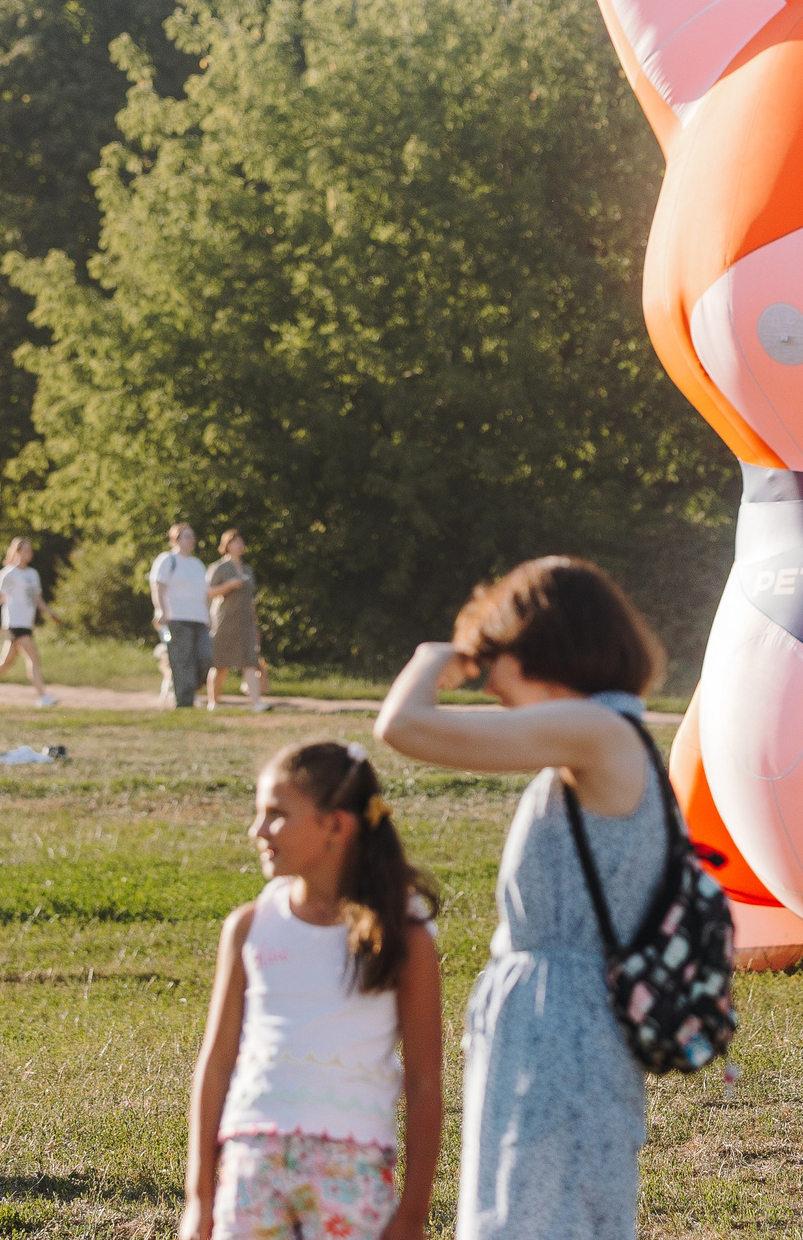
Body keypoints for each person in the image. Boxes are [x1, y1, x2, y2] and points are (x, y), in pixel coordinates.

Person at [373, 556, 666, 1240]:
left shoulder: (596, 731)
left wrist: (432, 658)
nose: (487, 683)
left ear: (540, 645)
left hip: (561, 1025)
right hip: (559, 1018)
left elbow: (403, 725)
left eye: (493, 658)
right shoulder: (601, 733)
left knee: (536, 1217)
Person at [182, 742, 443, 1240]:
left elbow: (425, 1084)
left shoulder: (405, 939)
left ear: (337, 827)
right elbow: (216, 1064)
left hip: (354, 1171)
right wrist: (199, 1198)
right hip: (251, 1169)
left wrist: (412, 1216)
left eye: (277, 815)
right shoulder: (248, 927)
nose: (257, 831)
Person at [0, 537, 61, 709]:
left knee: (6, 661)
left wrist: (51, 614)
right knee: (33, 658)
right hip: (15, 623)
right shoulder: (8, 573)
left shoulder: (32, 574)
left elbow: (38, 600)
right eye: (26, 550)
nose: (30, 553)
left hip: (26, 624)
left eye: (31, 550)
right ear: (17, 551)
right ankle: (43, 696)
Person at [153, 523, 214, 712]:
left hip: (199, 618)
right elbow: (158, 586)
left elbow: (204, 593)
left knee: (206, 657)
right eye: (187, 536)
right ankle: (184, 703)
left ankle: (188, 692)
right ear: (176, 539)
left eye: (192, 536)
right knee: (183, 661)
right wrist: (160, 610)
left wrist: (208, 615)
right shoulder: (167, 560)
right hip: (176, 617)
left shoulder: (197, 564)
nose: (191, 540)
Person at [206, 529, 267, 714]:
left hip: (246, 622)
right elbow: (208, 592)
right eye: (235, 542)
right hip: (224, 621)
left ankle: (256, 703)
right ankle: (213, 702)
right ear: (226, 545)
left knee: (250, 661)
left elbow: (251, 598)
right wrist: (229, 585)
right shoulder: (219, 568)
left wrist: (255, 622)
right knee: (220, 664)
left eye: (241, 541)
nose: (240, 545)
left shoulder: (248, 569)